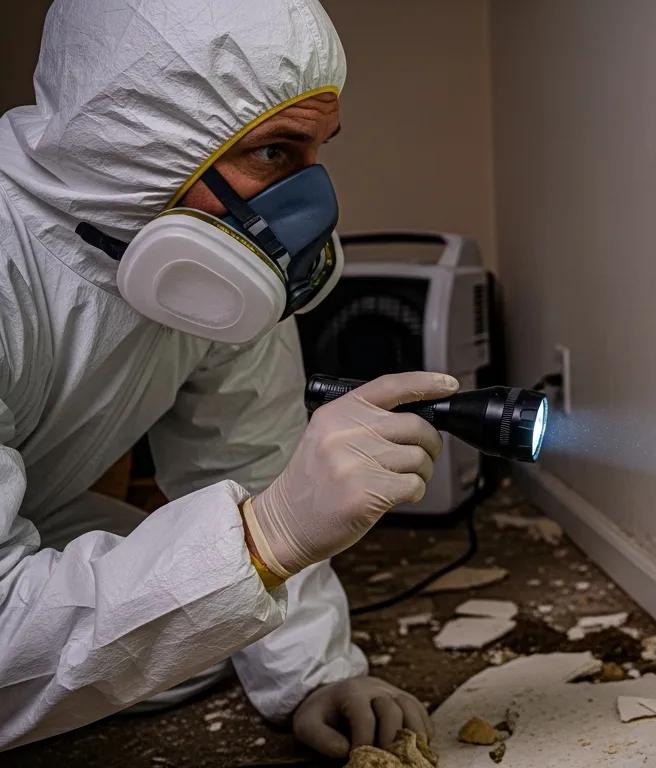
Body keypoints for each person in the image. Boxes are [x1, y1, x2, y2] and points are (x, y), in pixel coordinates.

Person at [0, 0, 453, 756]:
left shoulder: (199, 255)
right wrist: (262, 542)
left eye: (318, 153)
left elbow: (252, 462)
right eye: (277, 154)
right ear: (141, 138)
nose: (310, 207)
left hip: (31, 508)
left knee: (202, 628)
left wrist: (316, 673)